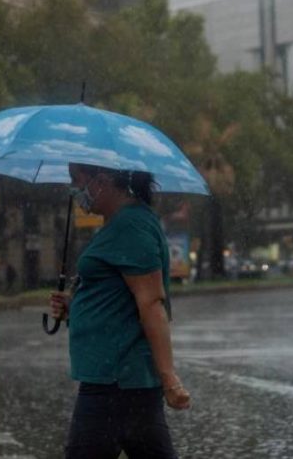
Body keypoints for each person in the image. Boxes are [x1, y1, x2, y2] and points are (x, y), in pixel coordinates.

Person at [50, 163, 191, 459]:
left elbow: (151, 302)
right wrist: (76, 307)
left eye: (77, 180)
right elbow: (119, 297)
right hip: (119, 381)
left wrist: (169, 378)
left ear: (101, 181)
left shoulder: (130, 226)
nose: (73, 189)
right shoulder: (121, 223)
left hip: (116, 382)